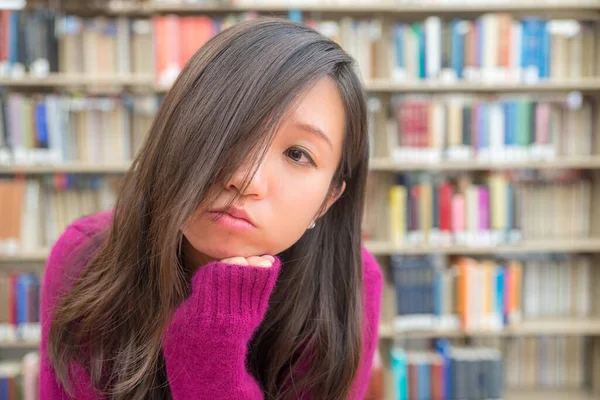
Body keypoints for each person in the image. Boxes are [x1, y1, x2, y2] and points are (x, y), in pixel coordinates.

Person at [40, 17, 383, 399]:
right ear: (176, 132)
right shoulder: (86, 256)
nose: (246, 180)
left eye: (297, 154)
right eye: (232, 132)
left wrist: (211, 348)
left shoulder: (347, 279)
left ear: (328, 199)